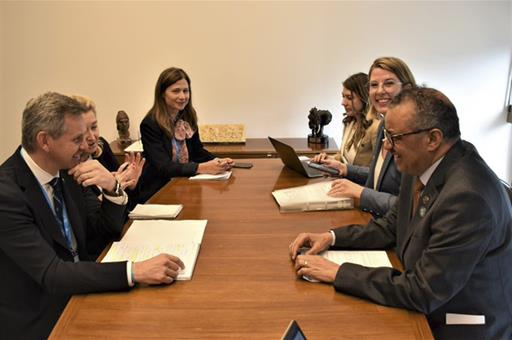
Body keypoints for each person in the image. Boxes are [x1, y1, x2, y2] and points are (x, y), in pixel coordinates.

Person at [289, 87, 512, 339]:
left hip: (454, 323)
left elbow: (423, 291)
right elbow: (392, 225)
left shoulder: (467, 198)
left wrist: (338, 272)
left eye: (394, 137)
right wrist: (332, 237)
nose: (386, 145)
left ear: (433, 139)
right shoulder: (421, 162)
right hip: (425, 302)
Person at [0, 92, 185, 339]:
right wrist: (135, 271)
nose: (88, 145)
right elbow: (51, 273)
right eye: (77, 138)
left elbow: (103, 231)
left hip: (84, 288)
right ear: (44, 141)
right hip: (43, 314)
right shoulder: (7, 193)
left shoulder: (66, 172)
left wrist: (112, 188)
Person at [315, 57, 417, 217]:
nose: (380, 91)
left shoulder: (415, 136)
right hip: (374, 218)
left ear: (407, 88)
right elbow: (378, 176)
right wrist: (345, 169)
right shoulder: (384, 125)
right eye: (374, 85)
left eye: (389, 83)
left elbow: (410, 208)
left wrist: (361, 192)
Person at [138, 67, 233, 202]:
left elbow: (197, 151)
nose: (182, 96)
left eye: (185, 91)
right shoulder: (149, 124)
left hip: (185, 184)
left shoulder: (188, 117)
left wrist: (218, 161)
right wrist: (202, 168)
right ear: (162, 94)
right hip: (158, 190)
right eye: (176, 91)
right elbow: (163, 167)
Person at [313, 72, 379, 167]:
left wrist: (344, 169)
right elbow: (343, 157)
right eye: (343, 97)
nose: (343, 103)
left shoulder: (376, 128)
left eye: (349, 97)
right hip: (345, 179)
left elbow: (377, 173)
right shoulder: (350, 123)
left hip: (357, 182)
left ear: (365, 98)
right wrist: (328, 158)